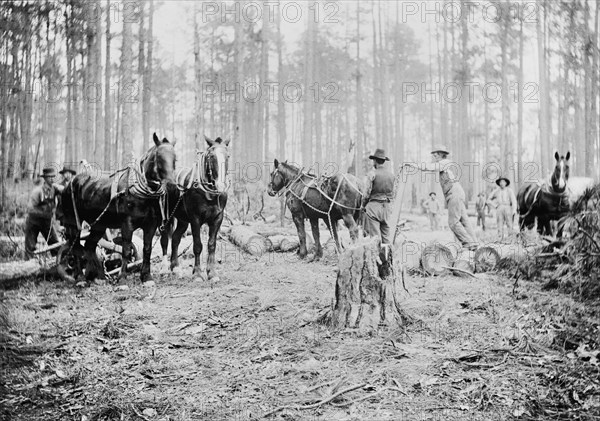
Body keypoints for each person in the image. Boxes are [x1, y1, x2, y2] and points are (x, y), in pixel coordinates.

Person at [404, 145, 479, 250]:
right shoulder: (444, 164)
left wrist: (413, 165)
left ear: (440, 154)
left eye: (435, 155)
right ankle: (474, 243)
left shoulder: (444, 163)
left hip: (454, 193)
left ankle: (468, 243)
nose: (434, 157)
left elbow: (429, 167)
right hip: (456, 193)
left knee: (453, 223)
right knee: (464, 220)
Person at [24, 167, 60, 258]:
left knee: (55, 244)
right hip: (34, 221)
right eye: (49, 177)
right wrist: (43, 213)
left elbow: (65, 190)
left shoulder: (54, 189)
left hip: (47, 221)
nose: (52, 179)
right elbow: (30, 209)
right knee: (30, 245)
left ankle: (57, 264)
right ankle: (27, 266)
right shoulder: (38, 191)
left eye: (53, 177)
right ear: (45, 178)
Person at [362, 148, 395, 244]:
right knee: (386, 237)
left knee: (375, 238)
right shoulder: (392, 175)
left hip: (373, 208)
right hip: (387, 208)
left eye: (373, 161)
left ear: (375, 161)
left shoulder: (372, 174)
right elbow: (394, 193)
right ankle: (388, 257)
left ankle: (375, 258)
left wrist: (363, 206)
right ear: (384, 161)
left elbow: (366, 194)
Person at [487, 177, 517, 241]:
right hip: (499, 208)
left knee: (509, 224)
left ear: (506, 183)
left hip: (508, 207)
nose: (502, 183)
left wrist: (514, 210)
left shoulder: (509, 190)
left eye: (503, 182)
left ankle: (511, 239)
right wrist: (495, 205)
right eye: (500, 182)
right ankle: (500, 239)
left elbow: (514, 201)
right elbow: (488, 200)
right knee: (499, 224)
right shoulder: (496, 191)